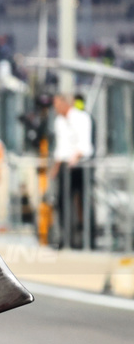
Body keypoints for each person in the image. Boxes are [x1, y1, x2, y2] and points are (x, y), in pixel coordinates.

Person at [51, 93, 94, 249]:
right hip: (65, 166)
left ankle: (88, 239)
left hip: (80, 166)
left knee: (84, 202)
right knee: (62, 202)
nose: (55, 107)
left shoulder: (81, 118)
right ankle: (66, 238)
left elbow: (84, 145)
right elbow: (60, 147)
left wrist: (74, 157)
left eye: (57, 104)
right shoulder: (59, 122)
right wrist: (55, 168)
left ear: (65, 103)